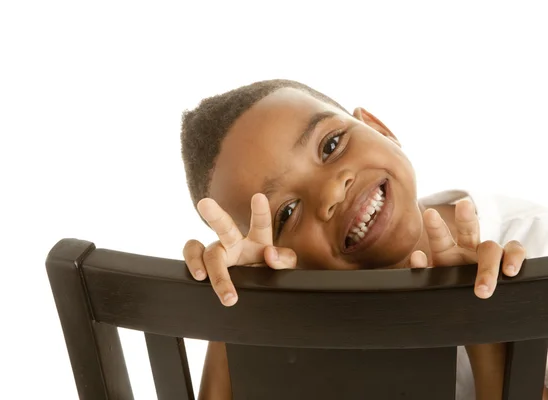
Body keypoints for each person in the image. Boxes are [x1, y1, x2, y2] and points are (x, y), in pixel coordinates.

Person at [180, 79, 548, 400]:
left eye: (331, 145)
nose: (331, 193)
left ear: (379, 127)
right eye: (287, 213)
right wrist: (236, 301)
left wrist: (489, 331)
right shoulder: (290, 327)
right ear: (277, 257)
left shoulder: (537, 243)